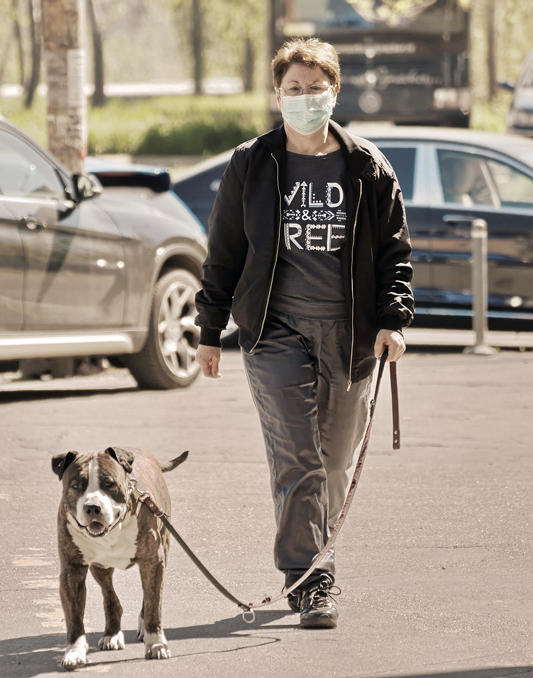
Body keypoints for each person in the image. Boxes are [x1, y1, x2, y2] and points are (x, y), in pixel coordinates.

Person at [194, 38, 414, 630]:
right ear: (278, 95)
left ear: (334, 92)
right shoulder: (252, 164)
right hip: (273, 329)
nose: (306, 98)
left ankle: (317, 554)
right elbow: (224, 253)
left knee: (334, 462)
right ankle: (310, 579)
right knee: (299, 460)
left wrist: (392, 320)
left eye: (316, 89)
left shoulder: (367, 166)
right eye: (294, 89)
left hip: (350, 337)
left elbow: (394, 252)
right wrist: (209, 330)